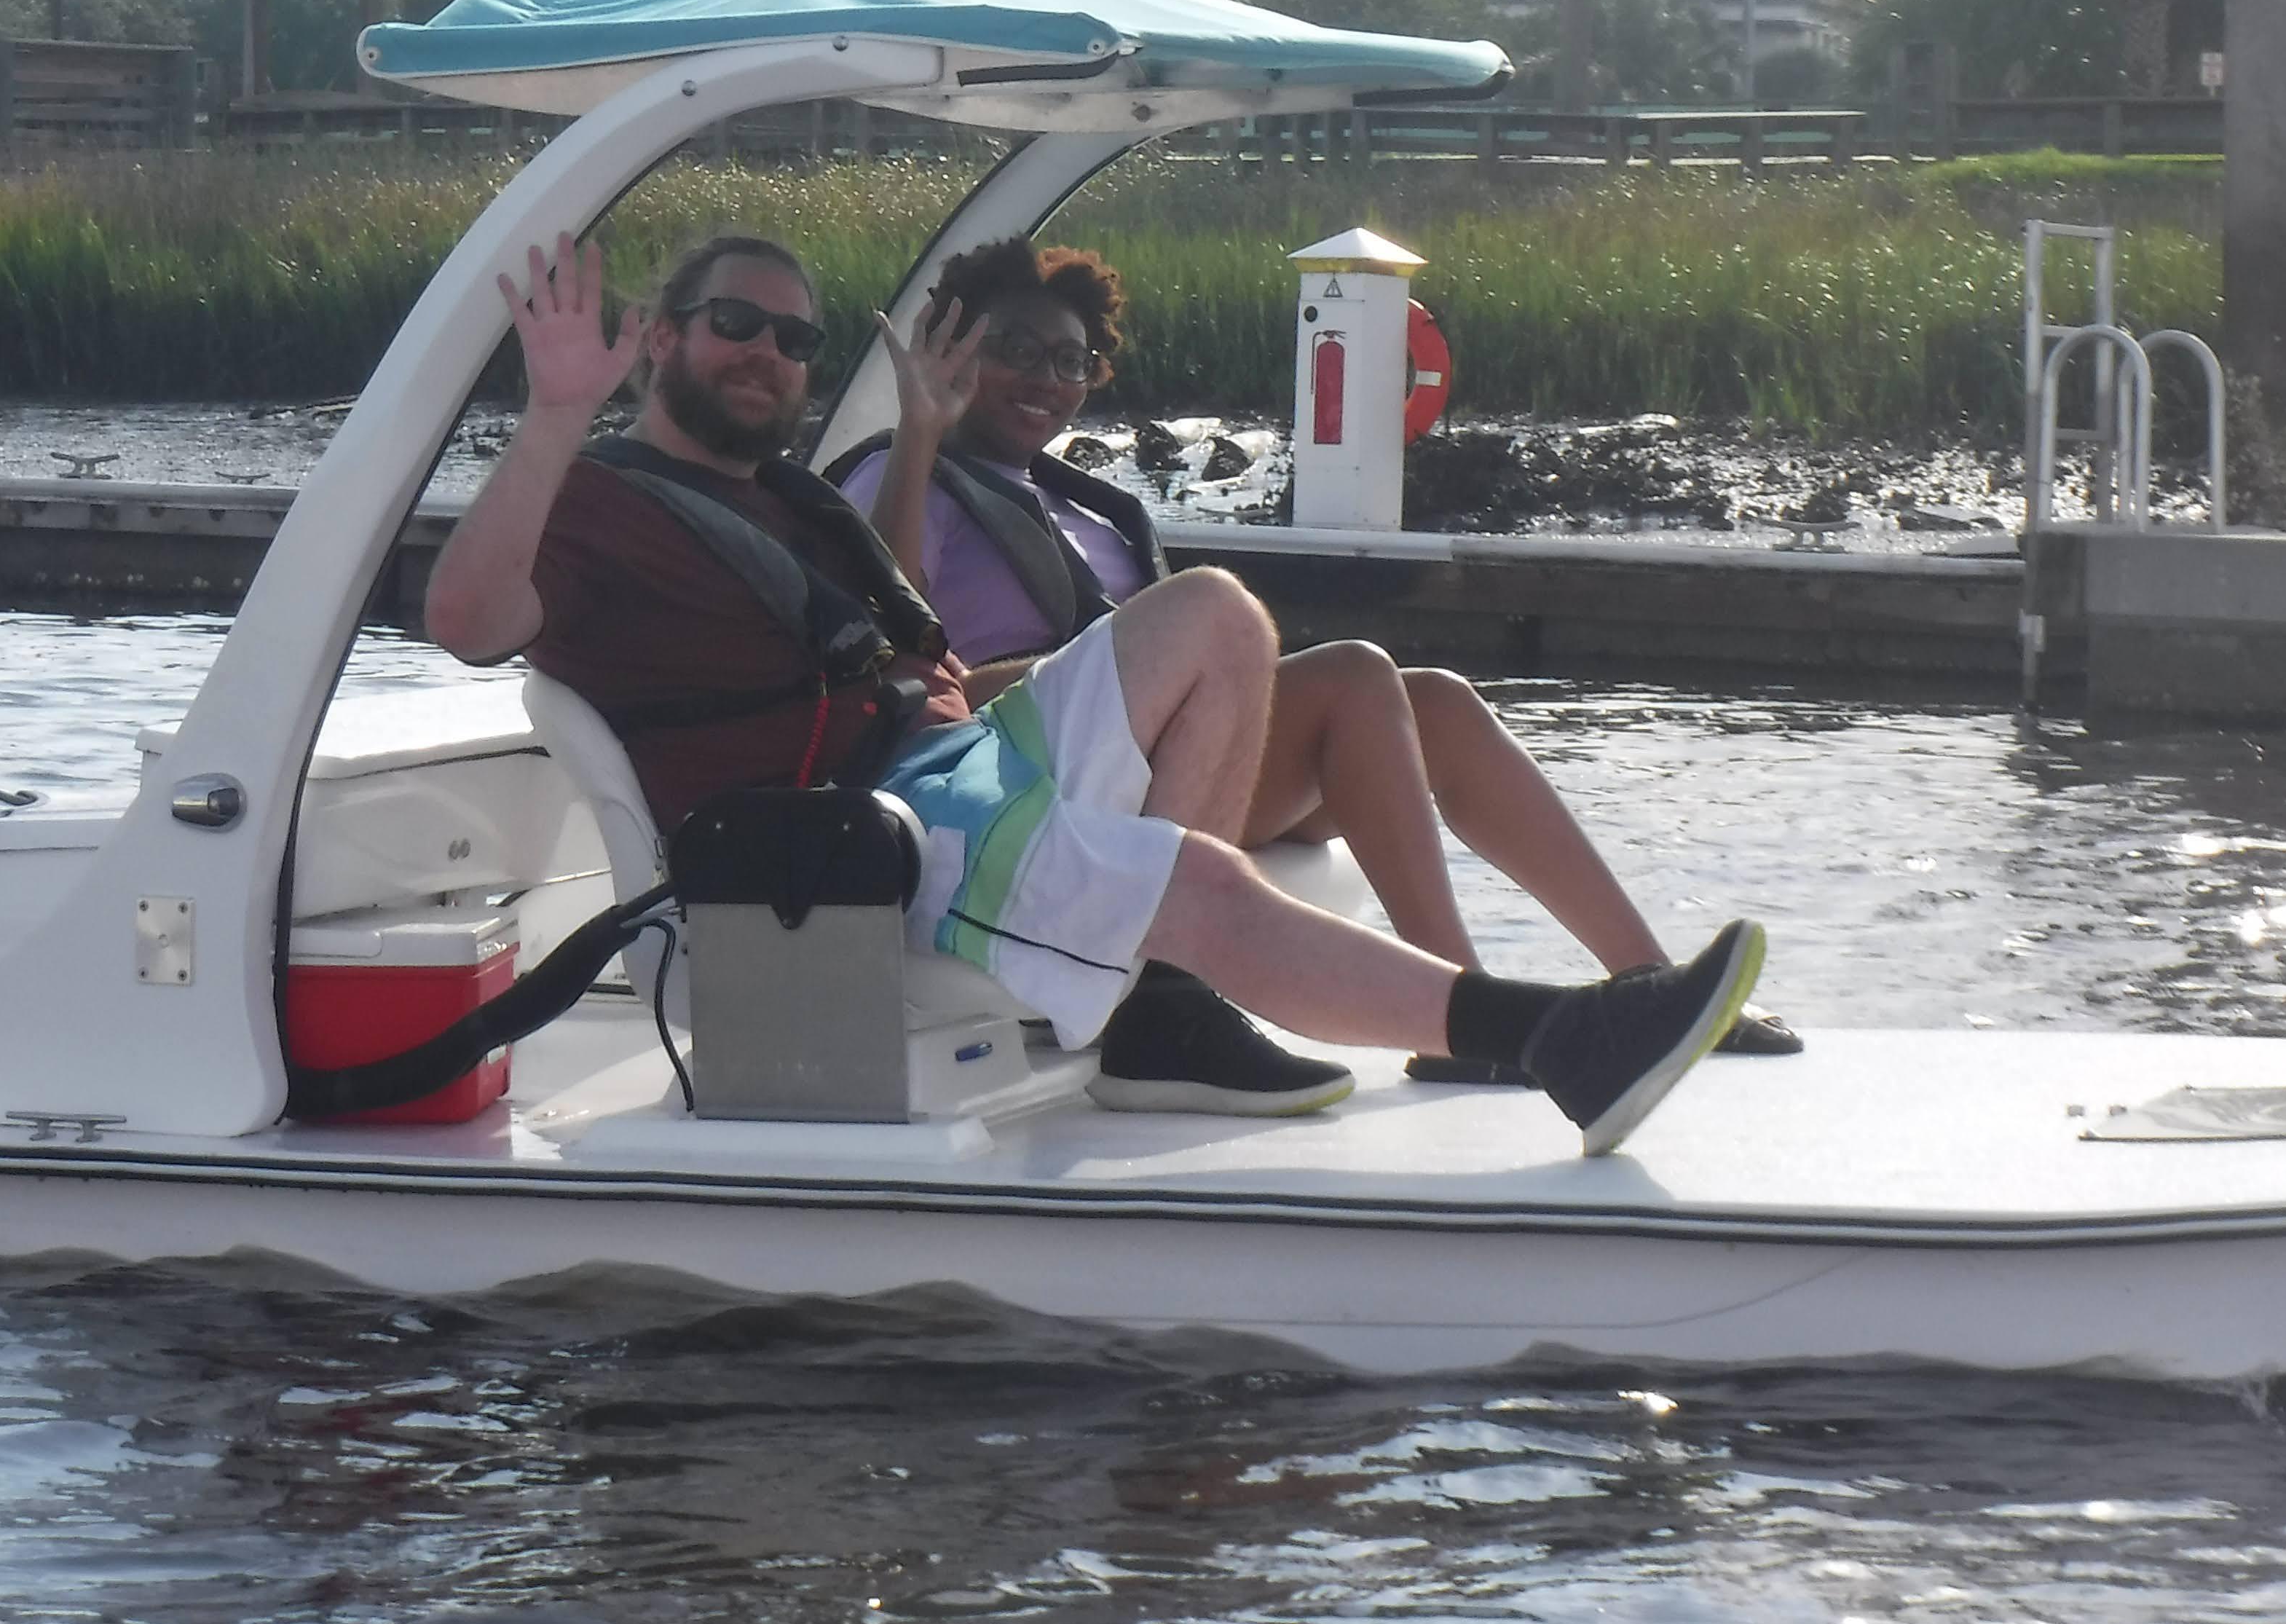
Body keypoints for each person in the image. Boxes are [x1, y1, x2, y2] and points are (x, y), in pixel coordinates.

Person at [422, 225, 1767, 1154]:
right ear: (659, 339)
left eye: (790, 338)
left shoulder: (777, 500)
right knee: (1196, 886)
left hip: (934, 760)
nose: (766, 353)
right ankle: (1556, 1038)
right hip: (840, 837)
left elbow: (907, 646)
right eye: (733, 326)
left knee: (1216, 614)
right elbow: (471, 621)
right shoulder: (595, 501)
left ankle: (1158, 998)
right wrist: (550, 412)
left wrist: (956, 673)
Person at [834, 235, 1800, 1069]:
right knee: (1355, 678)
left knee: (1439, 704)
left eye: (1069, 360)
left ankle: (1651, 982)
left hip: (1152, 765)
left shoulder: (1084, 505)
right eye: (1013, 350)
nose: (1045, 377)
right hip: (1022, 779)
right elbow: (896, 638)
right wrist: (922, 431)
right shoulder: (901, 471)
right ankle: (1467, 1016)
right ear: (949, 347)